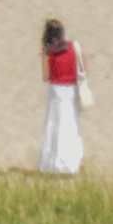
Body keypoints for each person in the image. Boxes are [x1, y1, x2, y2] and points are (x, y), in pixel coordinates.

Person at [38, 18, 87, 176]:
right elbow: (84, 67)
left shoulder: (48, 53)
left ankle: (54, 164)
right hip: (71, 90)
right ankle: (72, 162)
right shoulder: (74, 46)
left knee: (55, 125)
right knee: (70, 124)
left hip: (56, 91)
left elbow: (46, 76)